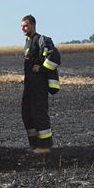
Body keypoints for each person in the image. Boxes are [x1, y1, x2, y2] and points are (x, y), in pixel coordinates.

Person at [20, 14, 61, 154]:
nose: (23, 29)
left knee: (39, 113)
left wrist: (42, 68)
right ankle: (35, 144)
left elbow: (54, 56)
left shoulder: (42, 40)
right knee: (27, 113)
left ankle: (44, 146)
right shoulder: (27, 42)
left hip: (39, 85)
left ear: (33, 25)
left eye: (25, 25)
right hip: (29, 85)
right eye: (21, 26)